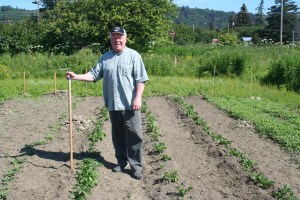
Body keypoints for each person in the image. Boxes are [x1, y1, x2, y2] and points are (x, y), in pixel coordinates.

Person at [66, 26, 149, 180]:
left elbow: (141, 79)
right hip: (113, 104)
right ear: (111, 39)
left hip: (130, 105)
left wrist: (138, 98)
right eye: (114, 37)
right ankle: (121, 162)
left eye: (120, 37)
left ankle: (136, 166)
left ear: (125, 38)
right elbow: (93, 75)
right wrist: (76, 76)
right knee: (117, 136)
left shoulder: (134, 56)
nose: (117, 40)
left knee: (134, 135)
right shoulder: (105, 58)